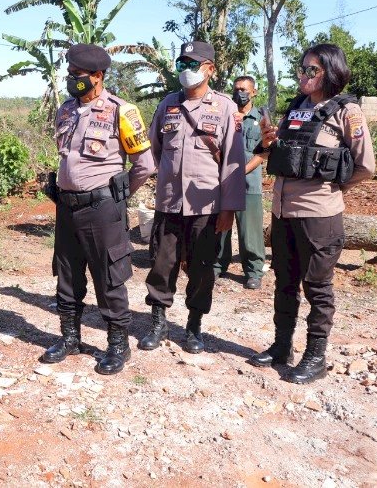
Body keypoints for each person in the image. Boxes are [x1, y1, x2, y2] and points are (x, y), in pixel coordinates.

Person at [249, 43, 375, 383]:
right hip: (283, 211)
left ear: (330, 72)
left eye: (311, 70)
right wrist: (267, 142)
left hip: (320, 216)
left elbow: (365, 166)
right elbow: (280, 154)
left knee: (318, 288)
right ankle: (281, 346)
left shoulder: (346, 112)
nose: (303, 75)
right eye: (301, 68)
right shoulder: (295, 108)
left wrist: (332, 190)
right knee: (284, 283)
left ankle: (315, 358)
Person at [42, 43, 155, 375]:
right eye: (70, 74)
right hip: (67, 208)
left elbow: (144, 165)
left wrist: (117, 196)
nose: (71, 79)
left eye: (77, 75)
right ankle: (70, 338)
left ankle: (118, 345)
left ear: (98, 76)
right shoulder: (66, 110)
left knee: (109, 277)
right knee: (66, 275)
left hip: (102, 209)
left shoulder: (122, 111)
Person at [140, 40, 245, 354]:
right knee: (161, 264)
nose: (186, 70)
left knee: (201, 268)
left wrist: (229, 209)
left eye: (192, 64)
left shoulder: (225, 107)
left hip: (206, 205)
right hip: (169, 202)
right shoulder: (167, 104)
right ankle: (158, 322)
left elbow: (233, 163)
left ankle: (194, 326)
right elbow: (152, 151)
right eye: (181, 64)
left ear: (209, 69)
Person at [213, 76, 266, 289]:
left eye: (244, 89)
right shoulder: (225, 115)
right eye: (236, 89)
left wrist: (241, 171)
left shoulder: (261, 118)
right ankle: (217, 265)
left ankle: (253, 271)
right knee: (220, 228)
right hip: (223, 182)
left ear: (253, 92)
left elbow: (264, 152)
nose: (239, 93)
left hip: (249, 183)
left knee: (250, 231)